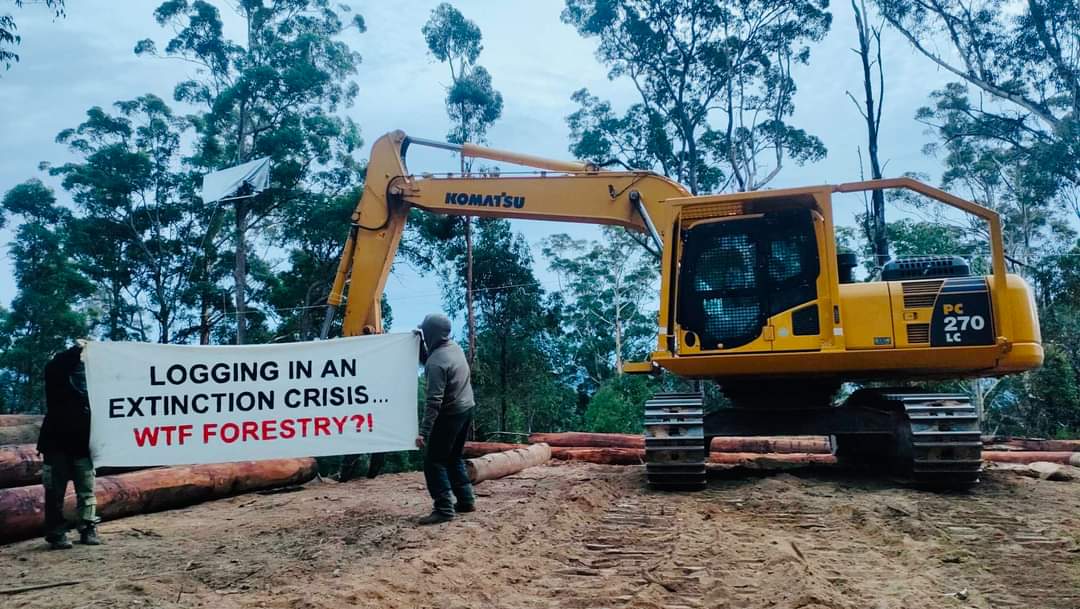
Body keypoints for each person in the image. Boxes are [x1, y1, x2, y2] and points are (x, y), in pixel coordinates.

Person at [37, 343, 100, 549]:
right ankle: (56, 533)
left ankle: (88, 527)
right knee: (55, 493)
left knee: (87, 491)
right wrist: (77, 349)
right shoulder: (56, 380)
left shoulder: (92, 388)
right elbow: (56, 366)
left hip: (83, 447)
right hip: (56, 446)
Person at [415, 313, 476, 525]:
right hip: (466, 409)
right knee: (453, 457)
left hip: (449, 414)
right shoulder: (453, 348)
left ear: (430, 333)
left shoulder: (436, 363)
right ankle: (466, 500)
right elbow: (432, 357)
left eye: (424, 332)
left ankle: (443, 509)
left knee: (434, 463)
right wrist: (419, 348)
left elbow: (434, 401)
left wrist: (424, 432)